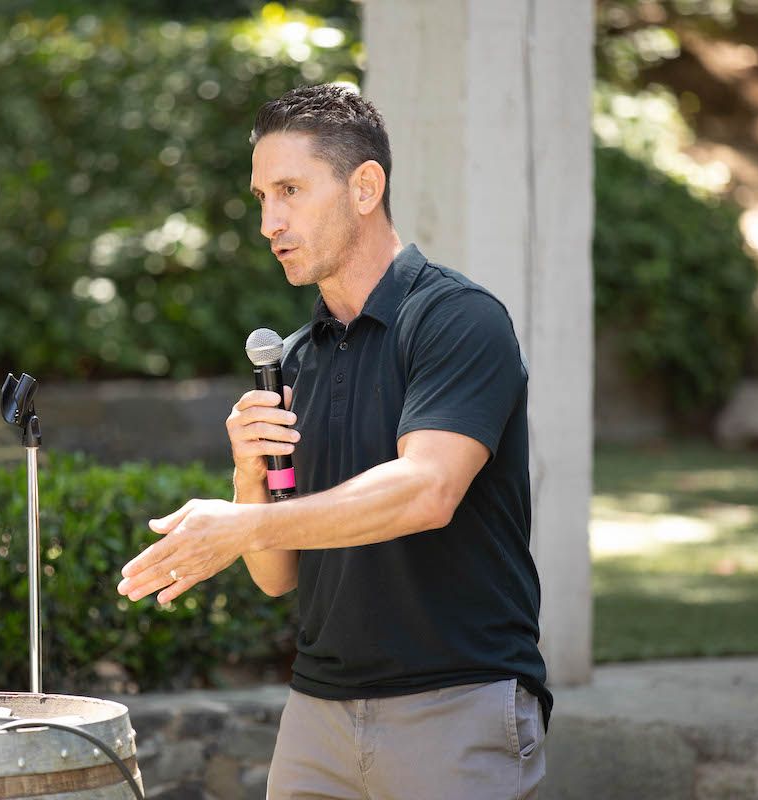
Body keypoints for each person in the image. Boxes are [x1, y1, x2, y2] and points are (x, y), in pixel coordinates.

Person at [118, 83, 549, 798]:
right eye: (261, 197)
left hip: (453, 704)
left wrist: (242, 523)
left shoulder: (457, 320)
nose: (269, 221)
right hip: (315, 715)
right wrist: (248, 478)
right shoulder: (293, 359)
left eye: (289, 190)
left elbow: (427, 489)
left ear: (364, 187)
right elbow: (277, 574)